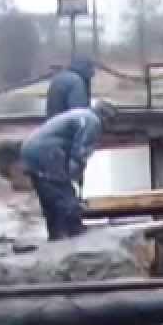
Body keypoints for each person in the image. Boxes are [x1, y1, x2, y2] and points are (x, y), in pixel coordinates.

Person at [21, 100, 119, 240]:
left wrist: (75, 175)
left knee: (48, 194)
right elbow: (79, 154)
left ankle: (55, 234)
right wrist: (74, 180)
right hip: (47, 152)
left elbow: (73, 155)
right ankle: (75, 230)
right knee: (63, 191)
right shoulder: (93, 122)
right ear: (106, 118)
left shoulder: (81, 115)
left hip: (30, 149)